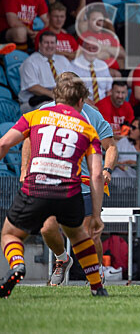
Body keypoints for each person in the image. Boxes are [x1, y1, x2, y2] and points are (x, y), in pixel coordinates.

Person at [0, 74, 108, 298]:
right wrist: (96, 214)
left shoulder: (34, 116)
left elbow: (4, 143)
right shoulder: (87, 129)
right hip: (69, 191)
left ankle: (18, 264)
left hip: (36, 188)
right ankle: (97, 287)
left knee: (10, 234)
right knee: (79, 236)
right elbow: (97, 174)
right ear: (80, 102)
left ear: (55, 97)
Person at [30, 72, 117, 287]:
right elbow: (26, 138)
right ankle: (62, 259)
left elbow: (111, 146)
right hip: (52, 182)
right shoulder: (43, 111)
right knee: (47, 228)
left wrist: (107, 169)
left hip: (84, 184)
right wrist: (26, 169)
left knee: (90, 234)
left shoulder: (91, 115)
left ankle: (97, 274)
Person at [19, 31, 70, 112]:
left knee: (87, 109)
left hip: (59, 99)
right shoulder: (30, 62)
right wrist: (54, 95)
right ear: (39, 44)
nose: (49, 46)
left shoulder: (63, 60)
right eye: (46, 42)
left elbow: (72, 82)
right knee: (55, 109)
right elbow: (32, 87)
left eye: (52, 43)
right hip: (34, 102)